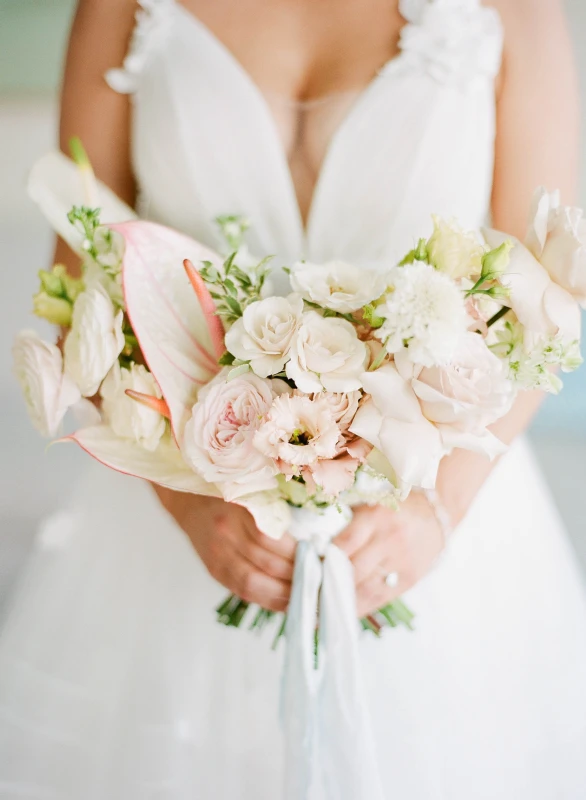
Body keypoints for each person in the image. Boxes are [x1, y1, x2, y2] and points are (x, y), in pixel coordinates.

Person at [1, 0, 586, 797]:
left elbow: (554, 292)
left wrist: (434, 514)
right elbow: (79, 280)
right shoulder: (117, 7)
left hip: (437, 520)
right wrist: (187, 505)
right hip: (190, 524)